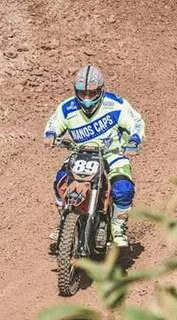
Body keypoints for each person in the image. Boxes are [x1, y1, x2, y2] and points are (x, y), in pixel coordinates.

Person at [43, 65, 145, 247]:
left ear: (101, 90)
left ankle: (118, 226)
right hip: (80, 155)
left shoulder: (115, 105)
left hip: (112, 155)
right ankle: (64, 220)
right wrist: (51, 134)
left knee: (123, 188)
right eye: (82, 93)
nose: (87, 99)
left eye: (91, 93)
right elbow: (53, 123)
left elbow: (136, 122)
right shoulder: (67, 108)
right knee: (60, 181)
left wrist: (134, 141)